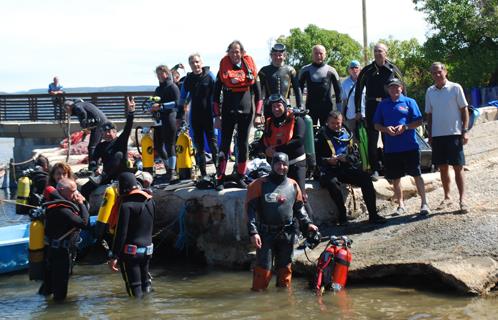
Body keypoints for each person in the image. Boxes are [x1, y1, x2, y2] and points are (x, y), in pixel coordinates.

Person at [247, 152, 318, 291]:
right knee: (263, 270)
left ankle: (283, 301)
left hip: (287, 233)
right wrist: (253, 232)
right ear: (272, 165)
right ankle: (259, 300)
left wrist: (308, 224)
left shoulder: (293, 185)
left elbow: (299, 209)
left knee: (285, 270)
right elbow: (250, 211)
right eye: (278, 163)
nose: (282, 167)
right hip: (265, 234)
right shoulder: (259, 184)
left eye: (284, 164)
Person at [316, 111, 386, 225]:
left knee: (366, 179)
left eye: (338, 123)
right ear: (327, 122)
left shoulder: (347, 133)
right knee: (333, 183)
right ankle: (342, 215)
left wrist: (347, 158)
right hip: (329, 170)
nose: (336, 126)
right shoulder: (321, 136)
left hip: (345, 167)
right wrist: (328, 160)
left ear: (342, 121)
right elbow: (315, 158)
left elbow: (356, 154)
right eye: (332, 123)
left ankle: (373, 215)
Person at [373, 78, 430, 216]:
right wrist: (386, 129)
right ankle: (401, 205)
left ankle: (424, 203)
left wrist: (405, 127)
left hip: (410, 146)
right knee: (395, 178)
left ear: (401, 88)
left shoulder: (410, 102)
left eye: (397, 87)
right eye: (391, 87)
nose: (394, 90)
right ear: (388, 89)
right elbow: (376, 125)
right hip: (392, 149)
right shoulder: (383, 105)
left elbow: (419, 121)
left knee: (417, 174)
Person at [213, 40, 262, 189]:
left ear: (242, 53)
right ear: (228, 53)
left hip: (246, 111)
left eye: (238, 51)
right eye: (232, 51)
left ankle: (240, 176)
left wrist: (258, 114)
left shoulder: (250, 68)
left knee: (243, 144)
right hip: (228, 111)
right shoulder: (223, 69)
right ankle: (220, 177)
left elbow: (259, 95)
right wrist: (217, 116)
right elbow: (215, 96)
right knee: (224, 145)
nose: (235, 54)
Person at [254, 94, 313, 215]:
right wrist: (265, 150)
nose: (276, 109)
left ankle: (311, 227)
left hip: (296, 163)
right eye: (273, 106)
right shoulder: (269, 123)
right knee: (279, 197)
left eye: (279, 106)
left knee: (300, 196)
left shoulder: (297, 119)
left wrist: (276, 149)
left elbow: (299, 140)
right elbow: (261, 142)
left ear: (285, 106)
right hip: (278, 166)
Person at [425, 62, 469, 214]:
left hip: (454, 133)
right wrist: (429, 135)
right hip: (438, 136)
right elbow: (429, 115)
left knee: (458, 167)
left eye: (439, 71)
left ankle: (462, 200)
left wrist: (465, 131)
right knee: (443, 168)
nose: (437, 75)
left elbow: (464, 110)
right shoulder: (430, 91)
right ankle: (447, 197)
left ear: (445, 71)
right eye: (434, 73)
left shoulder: (455, 88)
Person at [354, 43, 403, 179]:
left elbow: (402, 89)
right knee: (372, 140)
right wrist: (358, 110)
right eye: (375, 51)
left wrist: (403, 108)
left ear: (386, 53)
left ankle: (390, 169)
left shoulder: (393, 69)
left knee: (389, 138)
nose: (377, 53)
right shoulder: (367, 70)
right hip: (372, 106)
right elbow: (358, 90)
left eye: (380, 51)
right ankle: (374, 169)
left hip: (389, 106)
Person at [39, 178, 89, 302]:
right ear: (61, 190)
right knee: (60, 293)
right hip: (60, 253)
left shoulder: (52, 203)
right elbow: (84, 223)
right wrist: (81, 203)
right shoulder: (61, 208)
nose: (75, 194)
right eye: (72, 191)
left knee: (49, 287)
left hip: (52, 250)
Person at [108, 172, 155, 298]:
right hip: (147, 251)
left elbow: (121, 233)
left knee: (135, 291)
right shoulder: (149, 201)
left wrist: (114, 255)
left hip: (131, 254)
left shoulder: (126, 206)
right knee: (146, 285)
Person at [80, 97, 135, 199]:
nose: (108, 134)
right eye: (105, 132)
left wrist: (131, 112)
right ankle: (85, 211)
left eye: (110, 131)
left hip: (121, 174)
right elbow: (94, 160)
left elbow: (128, 127)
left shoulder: (120, 141)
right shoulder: (100, 146)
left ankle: (102, 176)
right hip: (106, 176)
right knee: (84, 189)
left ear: (115, 132)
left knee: (118, 154)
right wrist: (95, 168)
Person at [179, 53, 218, 177]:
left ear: (201, 62)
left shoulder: (210, 76)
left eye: (197, 62)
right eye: (192, 63)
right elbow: (182, 98)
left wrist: (218, 114)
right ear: (190, 65)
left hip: (209, 116)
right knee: (199, 147)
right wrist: (178, 116)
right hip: (195, 117)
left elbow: (218, 95)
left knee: (213, 145)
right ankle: (203, 174)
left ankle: (219, 172)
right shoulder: (188, 80)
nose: (195, 65)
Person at [298, 44, 342, 126]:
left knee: (326, 134)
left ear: (325, 55)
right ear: (312, 55)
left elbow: (338, 92)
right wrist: (300, 107)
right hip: (310, 109)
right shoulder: (305, 70)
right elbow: (298, 90)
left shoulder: (332, 70)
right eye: (316, 53)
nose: (318, 56)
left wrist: (339, 111)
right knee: (310, 134)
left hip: (327, 109)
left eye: (321, 53)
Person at [258, 43, 303, 118]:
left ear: (284, 56)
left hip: (286, 107)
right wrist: (259, 112)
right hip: (269, 107)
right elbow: (259, 93)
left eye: (280, 55)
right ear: (271, 56)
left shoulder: (290, 70)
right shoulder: (264, 71)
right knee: (269, 128)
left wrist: (300, 106)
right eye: (275, 55)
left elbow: (297, 90)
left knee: (287, 128)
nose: (277, 57)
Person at [152, 65, 181, 181]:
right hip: (159, 119)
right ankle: (168, 167)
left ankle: (172, 171)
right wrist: (151, 107)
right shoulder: (158, 89)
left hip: (170, 117)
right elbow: (154, 101)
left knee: (170, 145)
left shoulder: (172, 87)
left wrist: (161, 106)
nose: (160, 76)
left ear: (167, 73)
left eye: (162, 73)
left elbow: (178, 103)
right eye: (158, 74)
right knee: (158, 146)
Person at [63, 100, 109, 170]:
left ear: (68, 107)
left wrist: (83, 125)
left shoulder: (77, 107)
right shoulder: (81, 104)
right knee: (97, 145)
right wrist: (86, 128)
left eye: (66, 110)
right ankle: (97, 163)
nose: (67, 113)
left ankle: (92, 167)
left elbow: (82, 113)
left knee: (92, 147)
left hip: (99, 124)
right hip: (102, 122)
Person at [341, 60, 365, 138]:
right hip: (351, 116)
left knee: (366, 139)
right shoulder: (344, 83)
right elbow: (344, 100)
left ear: (360, 69)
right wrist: (342, 115)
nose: (354, 69)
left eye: (356, 67)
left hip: (365, 116)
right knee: (353, 139)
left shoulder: (366, 81)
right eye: (352, 68)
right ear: (349, 70)